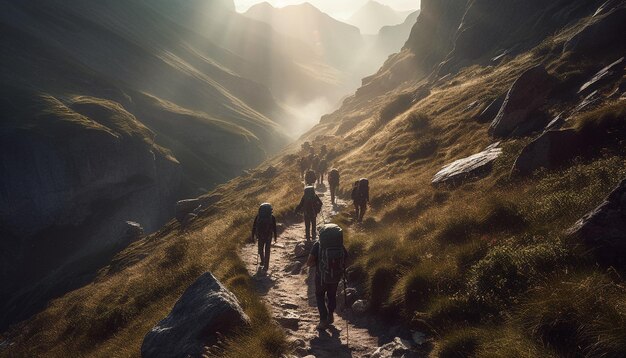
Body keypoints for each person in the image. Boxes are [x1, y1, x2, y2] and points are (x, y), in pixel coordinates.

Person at [306, 224, 348, 330]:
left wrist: (317, 263)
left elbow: (309, 263)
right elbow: (347, 259)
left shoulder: (318, 245)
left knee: (320, 296)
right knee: (332, 295)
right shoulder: (340, 246)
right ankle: (330, 315)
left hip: (321, 277)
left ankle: (323, 320)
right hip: (335, 276)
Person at [251, 203, 278, 271]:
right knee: (267, 250)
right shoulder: (272, 217)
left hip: (260, 236)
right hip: (268, 236)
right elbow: (274, 228)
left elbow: (254, 227)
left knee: (260, 249)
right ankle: (266, 266)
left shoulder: (258, 217)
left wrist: (253, 236)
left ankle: (262, 261)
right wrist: (275, 237)